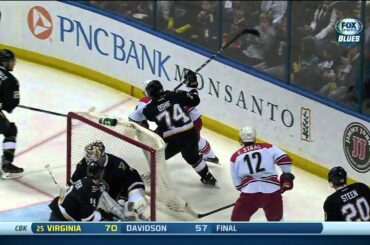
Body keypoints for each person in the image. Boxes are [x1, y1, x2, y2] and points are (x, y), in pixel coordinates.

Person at [129, 79, 217, 185]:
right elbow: (195, 101)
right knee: (193, 158)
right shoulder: (175, 95)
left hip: (172, 138)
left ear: (148, 93)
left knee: (157, 155)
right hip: (190, 132)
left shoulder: (148, 109)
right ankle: (208, 176)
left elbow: (138, 117)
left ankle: (153, 176)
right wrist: (193, 89)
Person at [230, 127, 294, 221]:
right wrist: (286, 176)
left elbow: (238, 184)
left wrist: (246, 193)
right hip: (272, 190)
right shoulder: (268, 147)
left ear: (241, 139)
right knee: (277, 221)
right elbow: (285, 159)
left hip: (250, 193)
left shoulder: (235, 157)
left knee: (237, 221)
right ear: (254, 137)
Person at [69, 140, 147, 218]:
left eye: (94, 160)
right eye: (88, 159)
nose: (90, 163)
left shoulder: (117, 165)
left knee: (133, 211)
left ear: (102, 157)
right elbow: (72, 185)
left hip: (120, 200)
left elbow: (133, 181)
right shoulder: (83, 164)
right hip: (96, 202)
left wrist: (135, 197)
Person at [0, 49, 23, 179]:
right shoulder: (10, 80)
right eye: (12, 61)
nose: (14, 63)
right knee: (10, 131)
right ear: (5, 62)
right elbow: (10, 105)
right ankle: (7, 164)